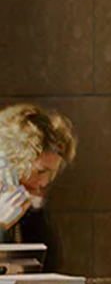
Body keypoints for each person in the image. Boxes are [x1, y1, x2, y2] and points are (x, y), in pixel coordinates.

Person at [0, 103, 77, 268]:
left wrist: (34, 213)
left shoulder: (29, 207)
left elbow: (49, 266)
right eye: (40, 171)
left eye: (51, 173)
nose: (44, 182)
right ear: (12, 163)